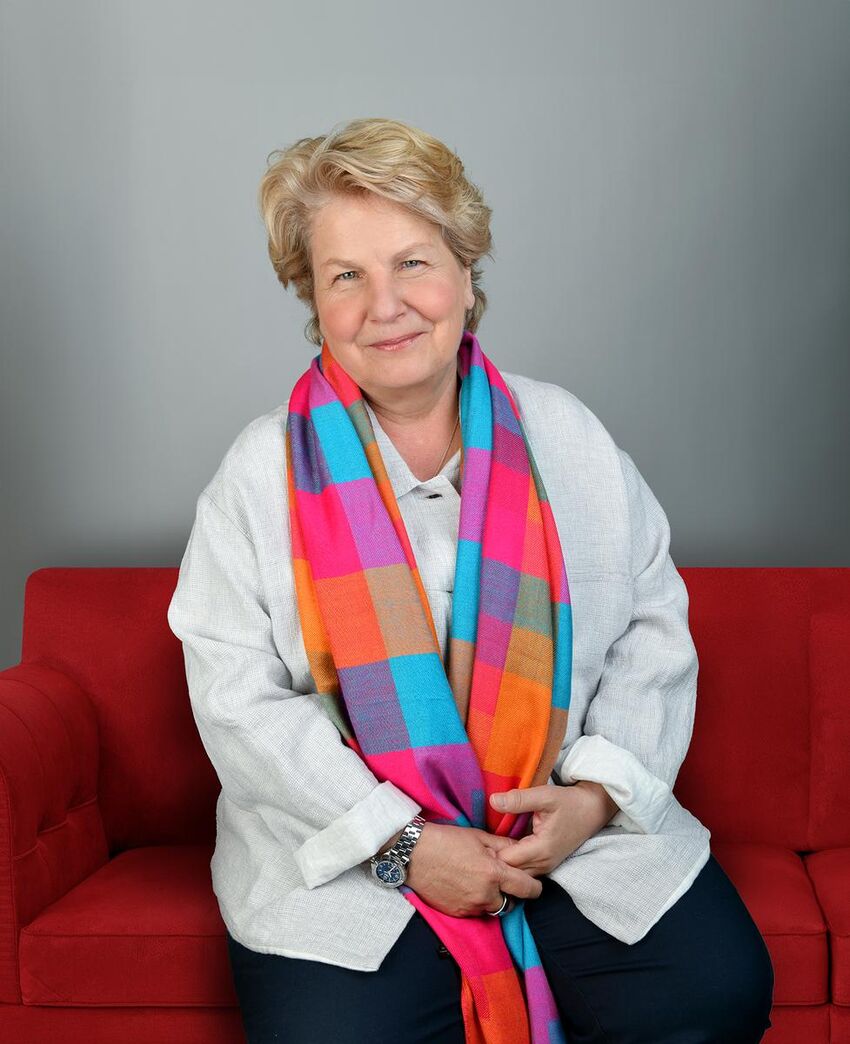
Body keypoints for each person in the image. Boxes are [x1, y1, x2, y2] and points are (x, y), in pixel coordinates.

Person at [167, 117, 775, 1043]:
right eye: (346, 276)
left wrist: (593, 800)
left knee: (710, 992)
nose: (386, 305)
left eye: (413, 262)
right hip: (354, 851)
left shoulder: (565, 433)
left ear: (465, 271)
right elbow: (238, 701)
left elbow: (654, 621)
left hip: (561, 834)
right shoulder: (259, 473)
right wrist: (406, 846)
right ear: (313, 299)